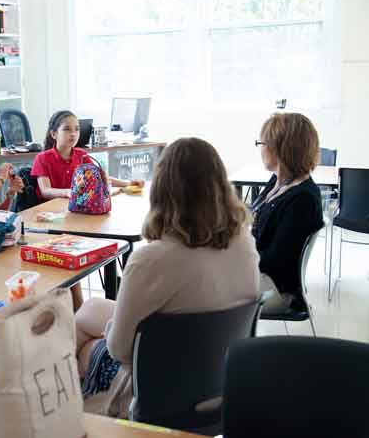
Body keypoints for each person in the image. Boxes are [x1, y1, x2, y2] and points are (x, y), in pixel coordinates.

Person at [73, 138, 260, 418]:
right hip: (222, 384)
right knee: (88, 309)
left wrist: (111, 330)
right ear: (221, 186)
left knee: (84, 344)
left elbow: (119, 350)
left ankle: (70, 413)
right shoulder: (244, 244)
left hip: (160, 393)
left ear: (161, 190)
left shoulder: (151, 260)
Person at [31, 110, 144, 310]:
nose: (73, 134)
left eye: (76, 129)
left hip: (80, 216)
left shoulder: (82, 155)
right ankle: (81, 309)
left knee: (111, 243)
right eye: (67, 129)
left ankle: (104, 306)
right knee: (72, 265)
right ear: (53, 134)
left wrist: (127, 182)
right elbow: (45, 190)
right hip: (55, 221)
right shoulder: (43, 158)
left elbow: (103, 178)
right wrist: (68, 192)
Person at [251, 112, 324, 313]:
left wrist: (234, 255)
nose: (260, 148)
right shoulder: (279, 181)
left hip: (275, 289)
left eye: (262, 143)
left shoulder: (303, 198)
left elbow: (276, 262)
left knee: (201, 287)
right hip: (258, 272)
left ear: (281, 148)